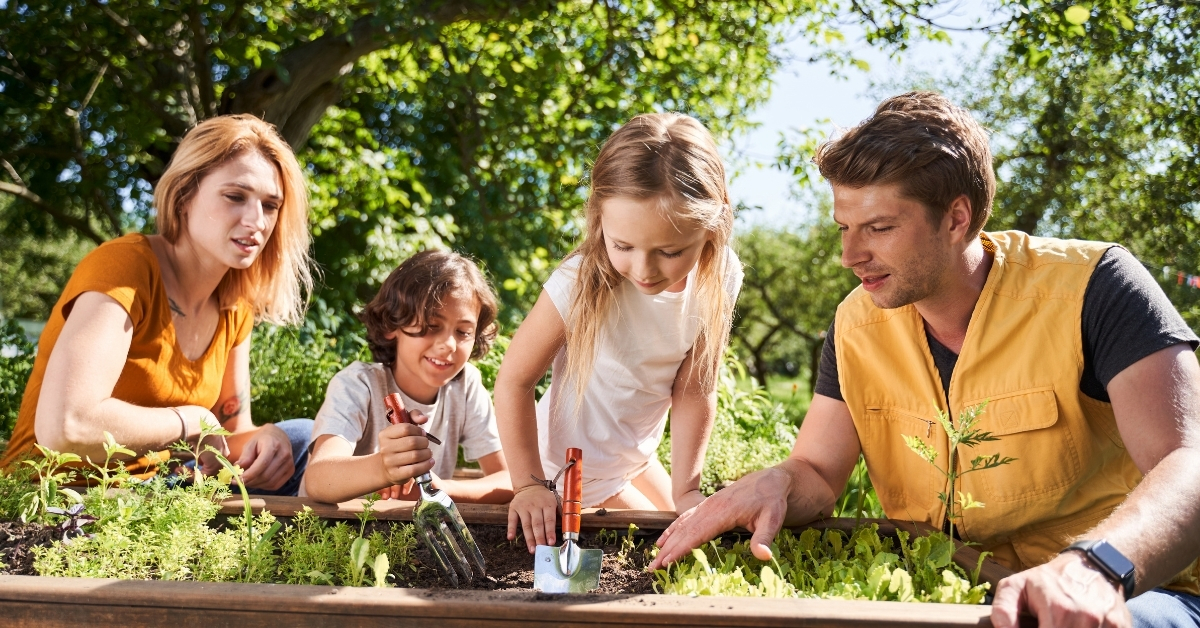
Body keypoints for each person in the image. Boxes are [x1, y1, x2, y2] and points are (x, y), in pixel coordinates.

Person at [648, 92, 1200, 626]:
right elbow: (817, 472)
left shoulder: (1095, 287)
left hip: (1136, 592)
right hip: (951, 591)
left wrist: (1096, 567)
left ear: (956, 218)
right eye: (844, 228)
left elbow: (1187, 465)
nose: (849, 255)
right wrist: (777, 482)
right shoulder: (855, 324)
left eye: (879, 228)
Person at [1, 115, 316, 495]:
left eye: (270, 205)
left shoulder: (235, 303)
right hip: (57, 495)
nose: (257, 221)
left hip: (157, 490)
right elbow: (66, 427)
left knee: (302, 438)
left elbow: (227, 433)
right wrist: (193, 420)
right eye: (235, 197)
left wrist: (265, 440)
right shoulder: (125, 267)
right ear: (184, 197)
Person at [494, 112, 744, 553]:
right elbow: (514, 379)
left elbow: (693, 387)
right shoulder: (578, 281)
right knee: (667, 555)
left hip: (634, 458)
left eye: (669, 251)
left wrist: (687, 491)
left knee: (702, 535)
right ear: (600, 217)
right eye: (623, 246)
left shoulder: (720, 274)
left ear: (712, 226)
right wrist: (528, 486)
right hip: (573, 471)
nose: (643, 270)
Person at [302, 250, 512, 504]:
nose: (449, 344)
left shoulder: (466, 387)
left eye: (463, 332)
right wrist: (384, 469)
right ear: (392, 324)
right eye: (432, 325)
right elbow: (318, 479)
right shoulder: (358, 384)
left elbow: (509, 479)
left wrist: (441, 489)